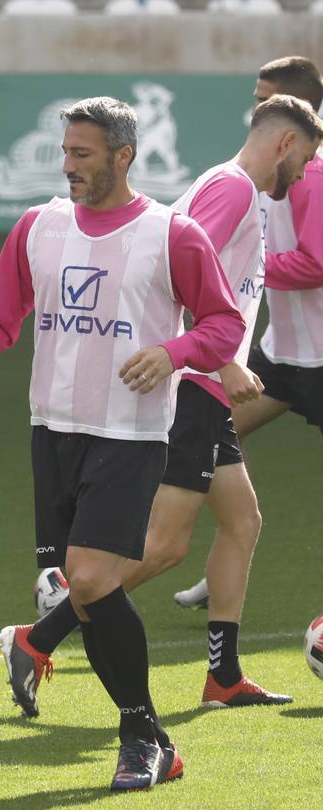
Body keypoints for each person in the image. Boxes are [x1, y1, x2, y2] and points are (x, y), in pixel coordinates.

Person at [0, 98, 245, 791]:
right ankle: (139, 731)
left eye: (82, 154)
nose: (67, 166)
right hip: (52, 429)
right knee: (85, 586)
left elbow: (223, 325)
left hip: (129, 434)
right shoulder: (38, 227)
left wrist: (173, 353)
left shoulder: (174, 234)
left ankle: (144, 735)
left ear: (122, 156)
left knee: (95, 578)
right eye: (65, 152)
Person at [0, 95, 323, 717]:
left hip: (203, 386)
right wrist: (221, 358)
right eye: (305, 158)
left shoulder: (233, 188)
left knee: (243, 521)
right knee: (166, 545)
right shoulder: (229, 191)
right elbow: (187, 279)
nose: (304, 172)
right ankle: (36, 640)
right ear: (284, 144)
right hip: (191, 388)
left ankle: (223, 676)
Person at [175, 56, 323, 609]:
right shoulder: (252, 173)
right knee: (192, 444)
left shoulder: (310, 173)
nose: (254, 105)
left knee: (194, 444)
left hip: (318, 359)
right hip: (276, 356)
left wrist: (254, 266)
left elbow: (316, 261)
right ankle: (216, 569)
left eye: (264, 96)